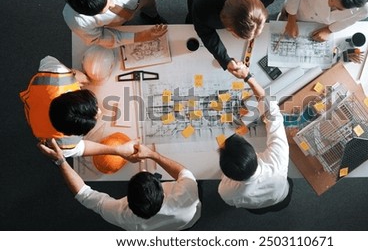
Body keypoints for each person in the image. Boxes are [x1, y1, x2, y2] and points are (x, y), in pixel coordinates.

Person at [38, 138, 202, 231]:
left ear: (128, 200)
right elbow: (183, 172)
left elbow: (84, 194)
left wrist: (61, 161)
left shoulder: (121, 215)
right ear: (162, 190)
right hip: (187, 220)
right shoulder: (187, 194)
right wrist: (153, 155)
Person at [20, 56, 137, 159]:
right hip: (34, 115)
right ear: (71, 133)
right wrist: (116, 150)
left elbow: (46, 60)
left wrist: (72, 75)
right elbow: (83, 148)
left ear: (75, 93)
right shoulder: (62, 145)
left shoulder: (57, 74)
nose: (100, 112)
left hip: (35, 103)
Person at [217, 66, 293, 212]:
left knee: (259, 210)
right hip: (279, 195)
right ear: (253, 153)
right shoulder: (277, 160)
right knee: (278, 202)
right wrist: (248, 78)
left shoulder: (225, 192)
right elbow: (273, 113)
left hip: (254, 204)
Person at [186, 0, 276, 73]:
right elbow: (205, 33)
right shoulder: (203, 5)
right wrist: (225, 60)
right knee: (193, 21)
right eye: (236, 35)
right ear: (227, 25)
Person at [63, 0, 168, 48]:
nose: (111, 6)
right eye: (101, 12)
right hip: (113, 22)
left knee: (150, 6)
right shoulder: (76, 21)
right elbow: (100, 37)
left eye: (108, 1)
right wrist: (138, 37)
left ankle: (152, 16)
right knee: (121, 24)